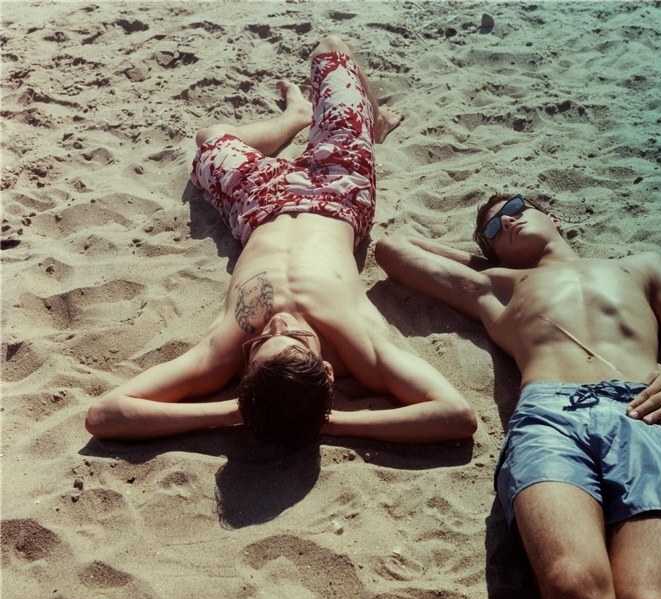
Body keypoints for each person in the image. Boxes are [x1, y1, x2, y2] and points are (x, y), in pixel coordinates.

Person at [86, 36, 476, 450]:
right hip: (339, 190)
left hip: (257, 203)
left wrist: (234, 412)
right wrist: (332, 423)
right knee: (331, 49)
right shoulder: (361, 348)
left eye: (261, 340)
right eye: (295, 337)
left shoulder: (222, 354)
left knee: (210, 138)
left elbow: (104, 414)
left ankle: (296, 119)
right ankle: (368, 125)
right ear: (327, 372)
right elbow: (456, 414)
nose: (278, 322)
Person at [375, 193, 661, 599]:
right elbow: (393, 248)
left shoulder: (642, 266)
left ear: (552, 216)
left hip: (648, 409)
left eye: (515, 209)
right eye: (493, 229)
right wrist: (491, 264)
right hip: (551, 415)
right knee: (575, 590)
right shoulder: (497, 287)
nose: (507, 223)